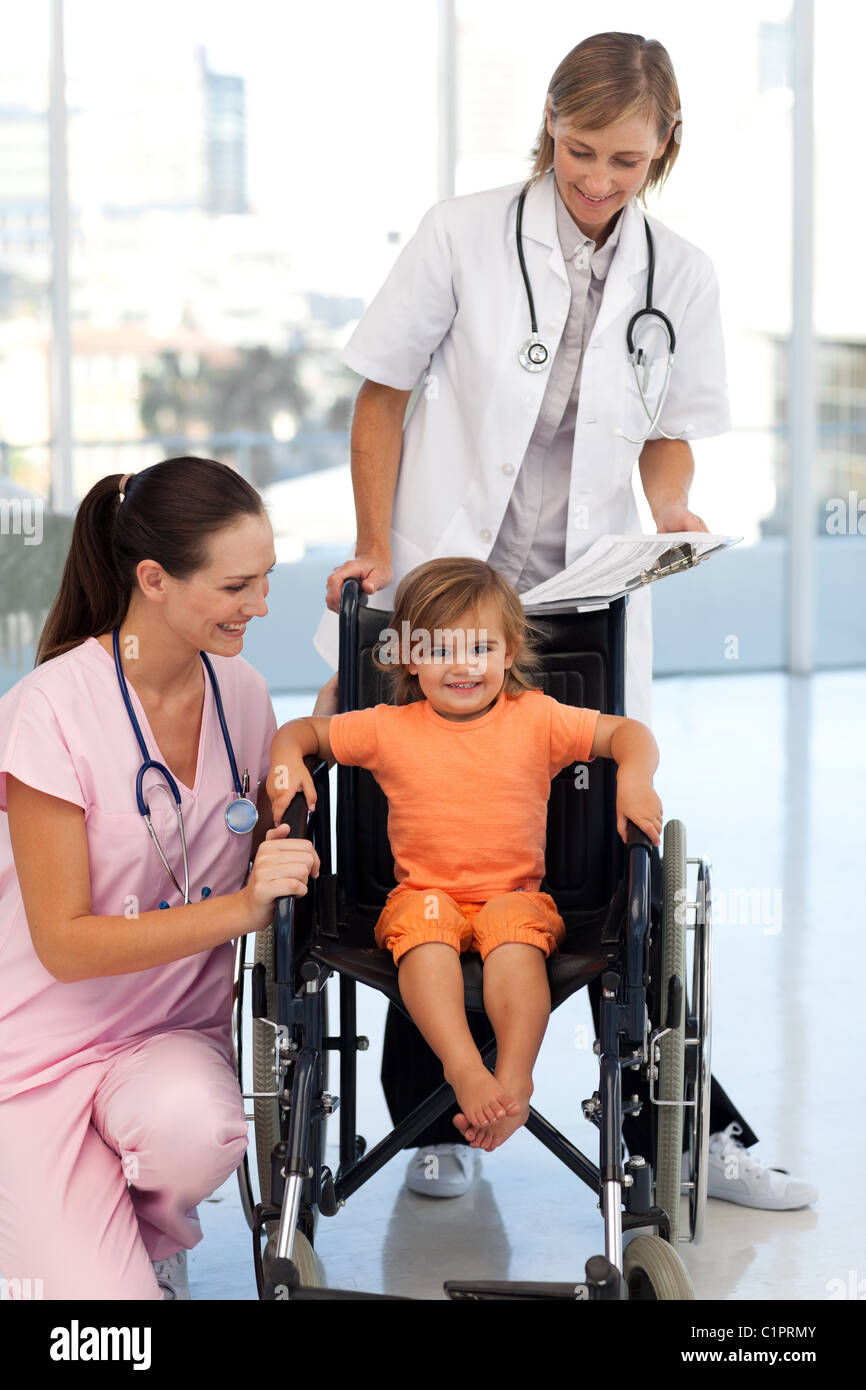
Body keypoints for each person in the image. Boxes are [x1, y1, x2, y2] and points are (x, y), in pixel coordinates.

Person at [313, 31, 817, 1209]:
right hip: (446, 591)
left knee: (593, 871)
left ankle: (687, 1131)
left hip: (582, 602)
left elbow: (669, 427)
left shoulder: (676, 270)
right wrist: (378, 545)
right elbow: (382, 393)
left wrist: (674, 506)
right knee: (422, 845)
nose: (596, 179)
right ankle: (427, 1114)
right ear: (548, 126)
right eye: (580, 150)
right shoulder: (461, 233)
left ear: (664, 150)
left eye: (625, 161)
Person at [0, 457, 324, 1300]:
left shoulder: (243, 695)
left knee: (199, 1128)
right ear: (153, 579)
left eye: (267, 580)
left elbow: (289, 801)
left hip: (171, 1043)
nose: (259, 606)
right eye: (237, 585)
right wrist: (240, 909)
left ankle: (143, 1231)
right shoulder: (49, 710)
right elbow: (65, 947)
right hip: (34, 1057)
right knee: (100, 1330)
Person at [274, 558, 662, 1152]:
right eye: (440, 649)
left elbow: (628, 734)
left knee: (516, 952)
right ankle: (463, 1068)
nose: (462, 665)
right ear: (408, 657)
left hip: (514, 897)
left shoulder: (537, 718)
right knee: (426, 943)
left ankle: (514, 1079)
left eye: (481, 647)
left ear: (509, 653)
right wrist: (286, 768)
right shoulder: (389, 728)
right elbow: (301, 733)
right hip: (423, 897)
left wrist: (634, 780)